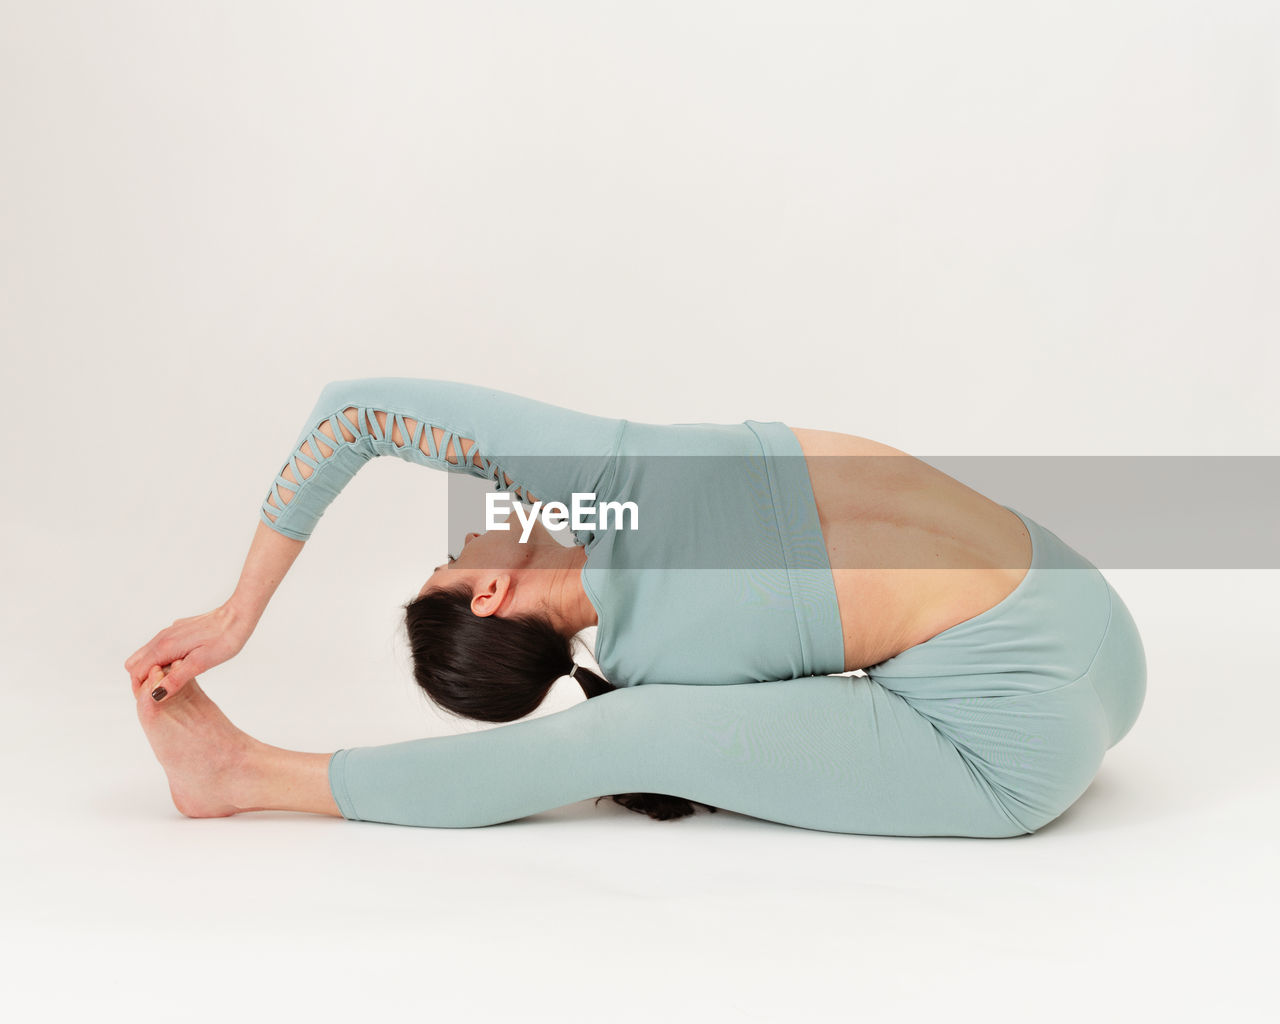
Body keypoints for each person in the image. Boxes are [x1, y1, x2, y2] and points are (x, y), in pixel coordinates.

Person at [125, 377, 1146, 837]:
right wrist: (238, 610)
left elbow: (351, 410)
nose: (470, 527)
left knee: (624, 735)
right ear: (488, 588)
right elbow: (357, 413)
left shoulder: (654, 666)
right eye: (453, 551)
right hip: (1096, 620)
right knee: (629, 731)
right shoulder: (616, 471)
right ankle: (243, 775)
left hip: (1014, 747)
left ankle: (248, 774)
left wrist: (230, 617)